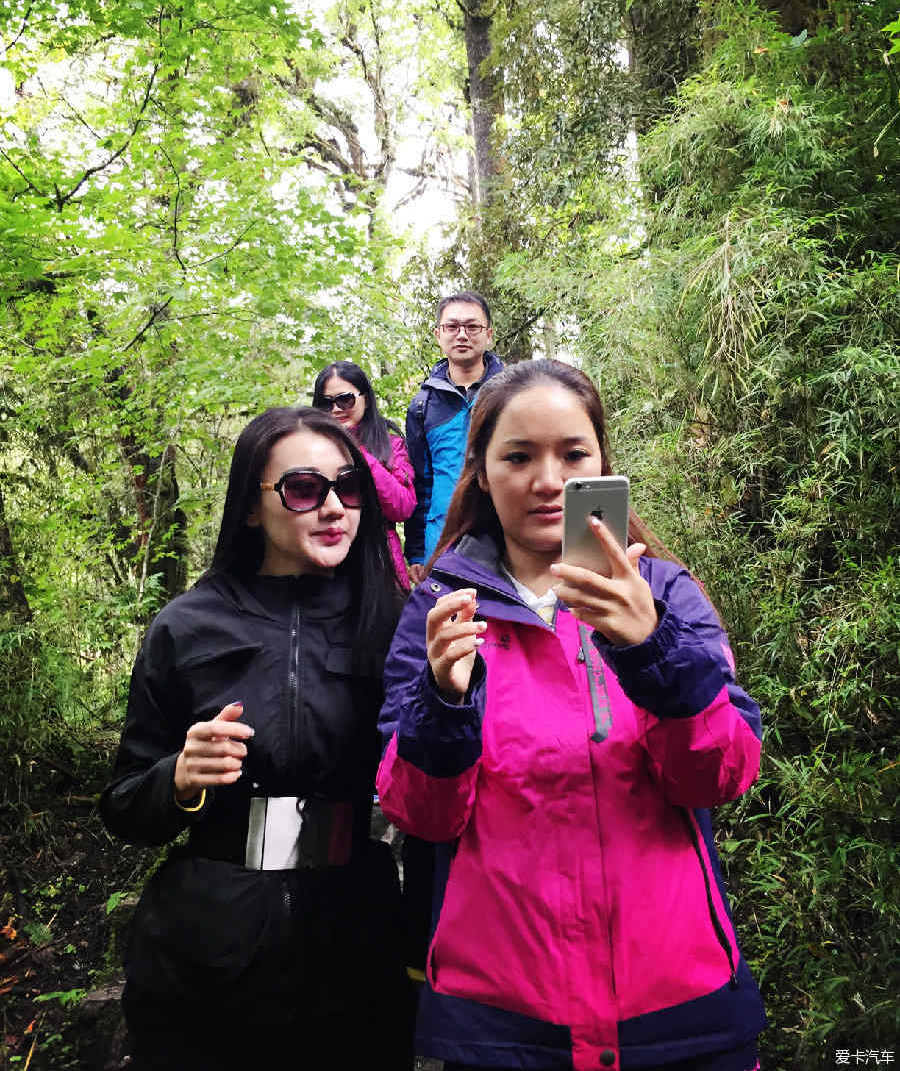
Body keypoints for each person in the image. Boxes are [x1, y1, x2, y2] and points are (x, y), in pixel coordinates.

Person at [376, 359, 767, 1071]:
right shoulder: (438, 612)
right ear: (483, 474)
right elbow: (421, 817)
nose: (547, 480)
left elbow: (722, 773)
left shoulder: (664, 595)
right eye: (518, 456)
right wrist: (443, 703)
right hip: (501, 1020)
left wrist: (653, 650)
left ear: (602, 463)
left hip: (678, 1010)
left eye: (572, 453)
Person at [100, 407, 412, 1071]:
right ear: (251, 506)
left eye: (349, 488)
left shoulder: (390, 620)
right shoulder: (187, 626)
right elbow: (124, 803)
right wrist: (178, 780)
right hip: (212, 937)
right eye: (304, 488)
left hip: (355, 930)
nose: (334, 508)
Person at [404, 290, 504, 586]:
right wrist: (417, 553)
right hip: (443, 542)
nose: (462, 335)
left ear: (488, 335)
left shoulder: (513, 394)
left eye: (472, 327)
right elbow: (420, 483)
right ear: (438, 334)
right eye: (452, 327)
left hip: (505, 534)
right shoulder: (422, 405)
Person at [312, 360, 416, 591]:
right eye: (325, 403)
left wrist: (359, 453)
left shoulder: (392, 446)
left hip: (381, 563)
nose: (336, 409)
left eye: (345, 399)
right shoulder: (310, 449)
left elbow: (402, 507)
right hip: (327, 561)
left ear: (365, 399)